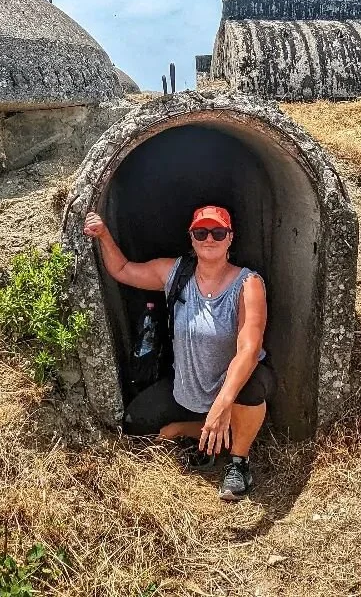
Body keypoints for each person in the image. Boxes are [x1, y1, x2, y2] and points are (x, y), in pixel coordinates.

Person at [82, 204, 273, 501]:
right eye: (201, 232)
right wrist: (104, 235)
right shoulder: (175, 273)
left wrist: (223, 404)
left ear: (230, 238)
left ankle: (238, 461)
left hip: (231, 390)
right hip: (188, 389)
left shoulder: (248, 283)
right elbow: (122, 270)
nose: (210, 238)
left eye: (218, 232)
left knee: (252, 383)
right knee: (136, 423)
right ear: (192, 238)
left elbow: (250, 348)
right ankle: (198, 429)